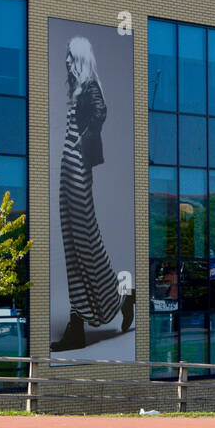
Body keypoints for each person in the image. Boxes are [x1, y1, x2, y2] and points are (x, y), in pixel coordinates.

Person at [53, 36, 133, 351]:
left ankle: (98, 310)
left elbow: (101, 112)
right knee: (72, 240)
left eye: (72, 58)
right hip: (67, 166)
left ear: (82, 58)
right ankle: (81, 320)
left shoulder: (90, 88)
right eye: (67, 58)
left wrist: (83, 141)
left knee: (85, 240)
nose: (68, 63)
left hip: (76, 165)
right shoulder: (77, 89)